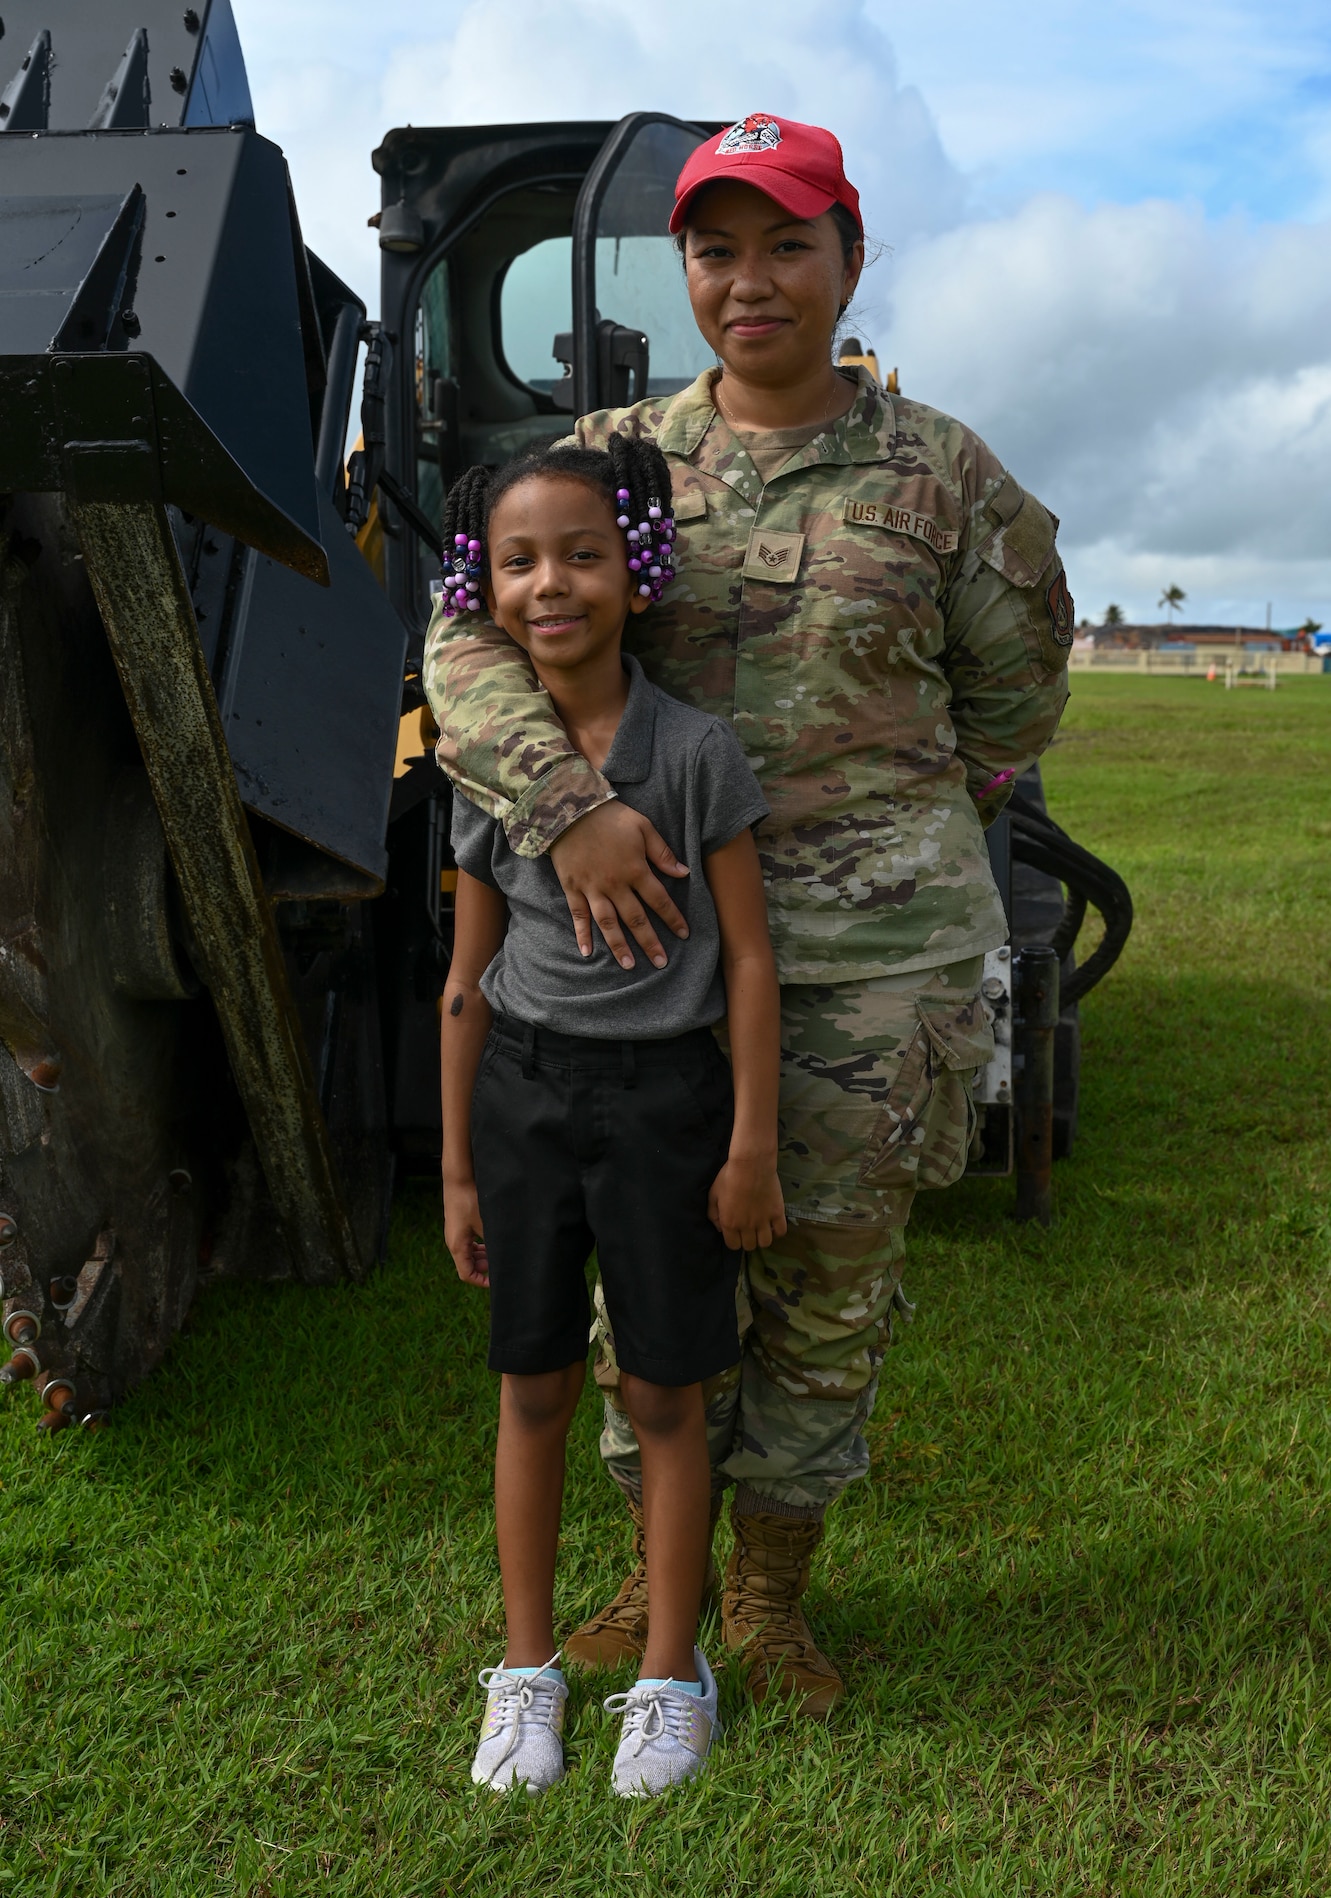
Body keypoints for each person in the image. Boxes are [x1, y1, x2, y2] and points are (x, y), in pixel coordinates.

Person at [426, 114, 1072, 1718]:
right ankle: (657, 1589)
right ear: (686, 271)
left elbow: (1017, 691)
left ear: (850, 255)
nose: (752, 280)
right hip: (635, 960)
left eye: (789, 244)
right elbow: (464, 645)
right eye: (717, 251)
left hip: (868, 968)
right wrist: (570, 813)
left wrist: (892, 821)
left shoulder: (942, 473)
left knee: (827, 1282)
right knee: (638, 1280)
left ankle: (769, 1596)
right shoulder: (614, 460)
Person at [438, 433, 781, 1796]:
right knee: (532, 1386)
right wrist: (457, 1167)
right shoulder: (490, 763)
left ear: (637, 573)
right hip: (525, 1094)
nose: (551, 586)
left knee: (662, 1392)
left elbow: (748, 959)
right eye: (518, 562)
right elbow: (464, 978)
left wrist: (750, 1143)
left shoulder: (694, 753)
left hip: (665, 1105)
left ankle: (670, 1675)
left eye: (582, 555)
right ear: (485, 587)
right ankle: (525, 1675)